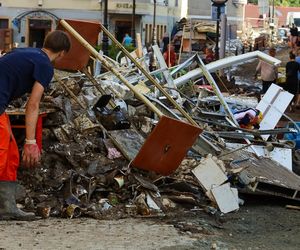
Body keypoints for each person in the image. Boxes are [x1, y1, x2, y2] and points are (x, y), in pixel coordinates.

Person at [0, 30, 71, 220]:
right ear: (63, 52)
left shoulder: (25, 53)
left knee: (10, 155)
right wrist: (31, 142)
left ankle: (6, 207)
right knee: (0, 154)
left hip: (1, 106)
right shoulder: (45, 65)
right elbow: (33, 104)